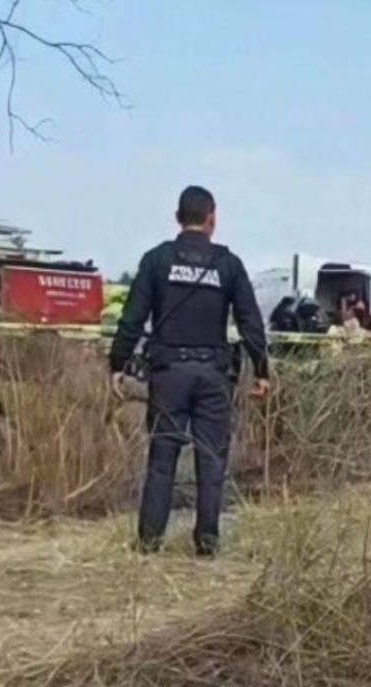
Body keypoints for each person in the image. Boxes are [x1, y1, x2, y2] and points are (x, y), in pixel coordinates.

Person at [110, 186, 270, 556]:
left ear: (177, 217)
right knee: (211, 459)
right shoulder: (228, 264)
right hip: (213, 374)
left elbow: (132, 318)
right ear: (212, 218)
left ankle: (149, 542)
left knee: (162, 458)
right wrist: (262, 369)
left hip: (168, 374)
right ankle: (207, 542)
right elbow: (250, 322)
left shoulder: (157, 260)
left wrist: (118, 363)